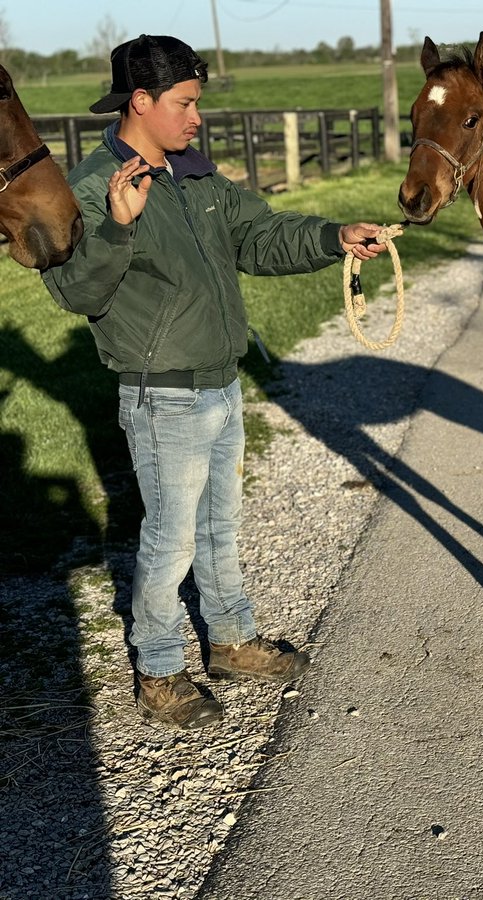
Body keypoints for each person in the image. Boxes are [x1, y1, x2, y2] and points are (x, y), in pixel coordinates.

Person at [42, 34, 386, 730]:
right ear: (141, 101)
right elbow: (74, 291)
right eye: (185, 103)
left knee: (219, 527)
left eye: (196, 102)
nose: (197, 117)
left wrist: (331, 238)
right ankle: (160, 670)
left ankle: (229, 640)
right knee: (170, 539)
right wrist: (115, 228)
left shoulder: (193, 174)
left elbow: (257, 235)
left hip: (220, 382)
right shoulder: (89, 189)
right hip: (160, 391)